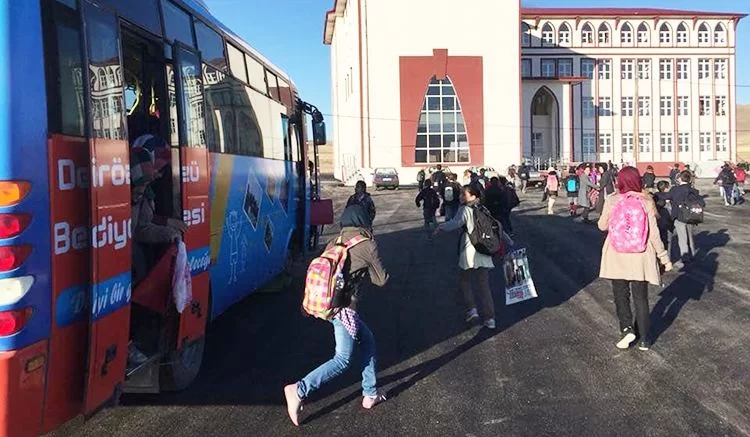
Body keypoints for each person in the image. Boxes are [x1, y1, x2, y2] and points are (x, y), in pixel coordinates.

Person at [284, 205, 389, 426]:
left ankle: (370, 393)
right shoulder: (367, 244)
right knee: (342, 359)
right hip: (345, 310)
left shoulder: (336, 241)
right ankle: (299, 389)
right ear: (364, 222)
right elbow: (381, 280)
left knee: (367, 340)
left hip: (329, 307)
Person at [598, 167, 672, 351]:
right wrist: (664, 258)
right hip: (641, 254)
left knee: (620, 295)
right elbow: (654, 235)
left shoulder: (613, 199)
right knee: (641, 297)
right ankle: (645, 339)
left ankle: (627, 329)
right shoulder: (646, 200)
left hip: (617, 254)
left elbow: (602, 225)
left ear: (620, 180)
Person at [434, 185, 497, 329]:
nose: (461, 196)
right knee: (484, 286)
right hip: (484, 251)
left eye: (465, 194)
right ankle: (490, 318)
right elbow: (496, 227)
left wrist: (441, 227)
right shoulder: (484, 209)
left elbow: (456, 223)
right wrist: (509, 242)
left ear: (474, 197)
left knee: (465, 281)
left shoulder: (465, 209)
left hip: (469, 251)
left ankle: (472, 309)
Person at [668, 171, 705, 268]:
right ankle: (692, 253)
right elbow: (702, 203)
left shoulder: (675, 189)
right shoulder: (694, 190)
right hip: (691, 216)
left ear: (680, 178)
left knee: (682, 238)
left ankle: (685, 257)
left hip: (679, 216)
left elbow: (667, 197)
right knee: (690, 236)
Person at [653, 180, 674, 255]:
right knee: (668, 241)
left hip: (657, 222)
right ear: (666, 188)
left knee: (659, 241)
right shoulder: (669, 197)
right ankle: (667, 259)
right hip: (668, 223)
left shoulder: (654, 196)